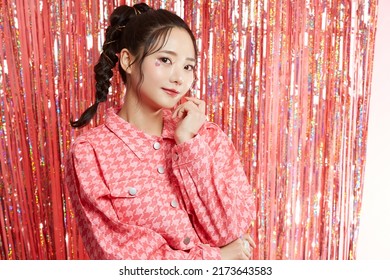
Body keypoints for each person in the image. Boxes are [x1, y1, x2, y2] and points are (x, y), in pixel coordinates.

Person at [65, 2, 255, 260]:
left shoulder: (206, 136)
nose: (179, 78)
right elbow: (122, 259)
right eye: (165, 60)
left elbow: (231, 230)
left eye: (188, 66)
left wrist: (188, 143)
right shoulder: (91, 154)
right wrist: (216, 259)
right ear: (128, 61)